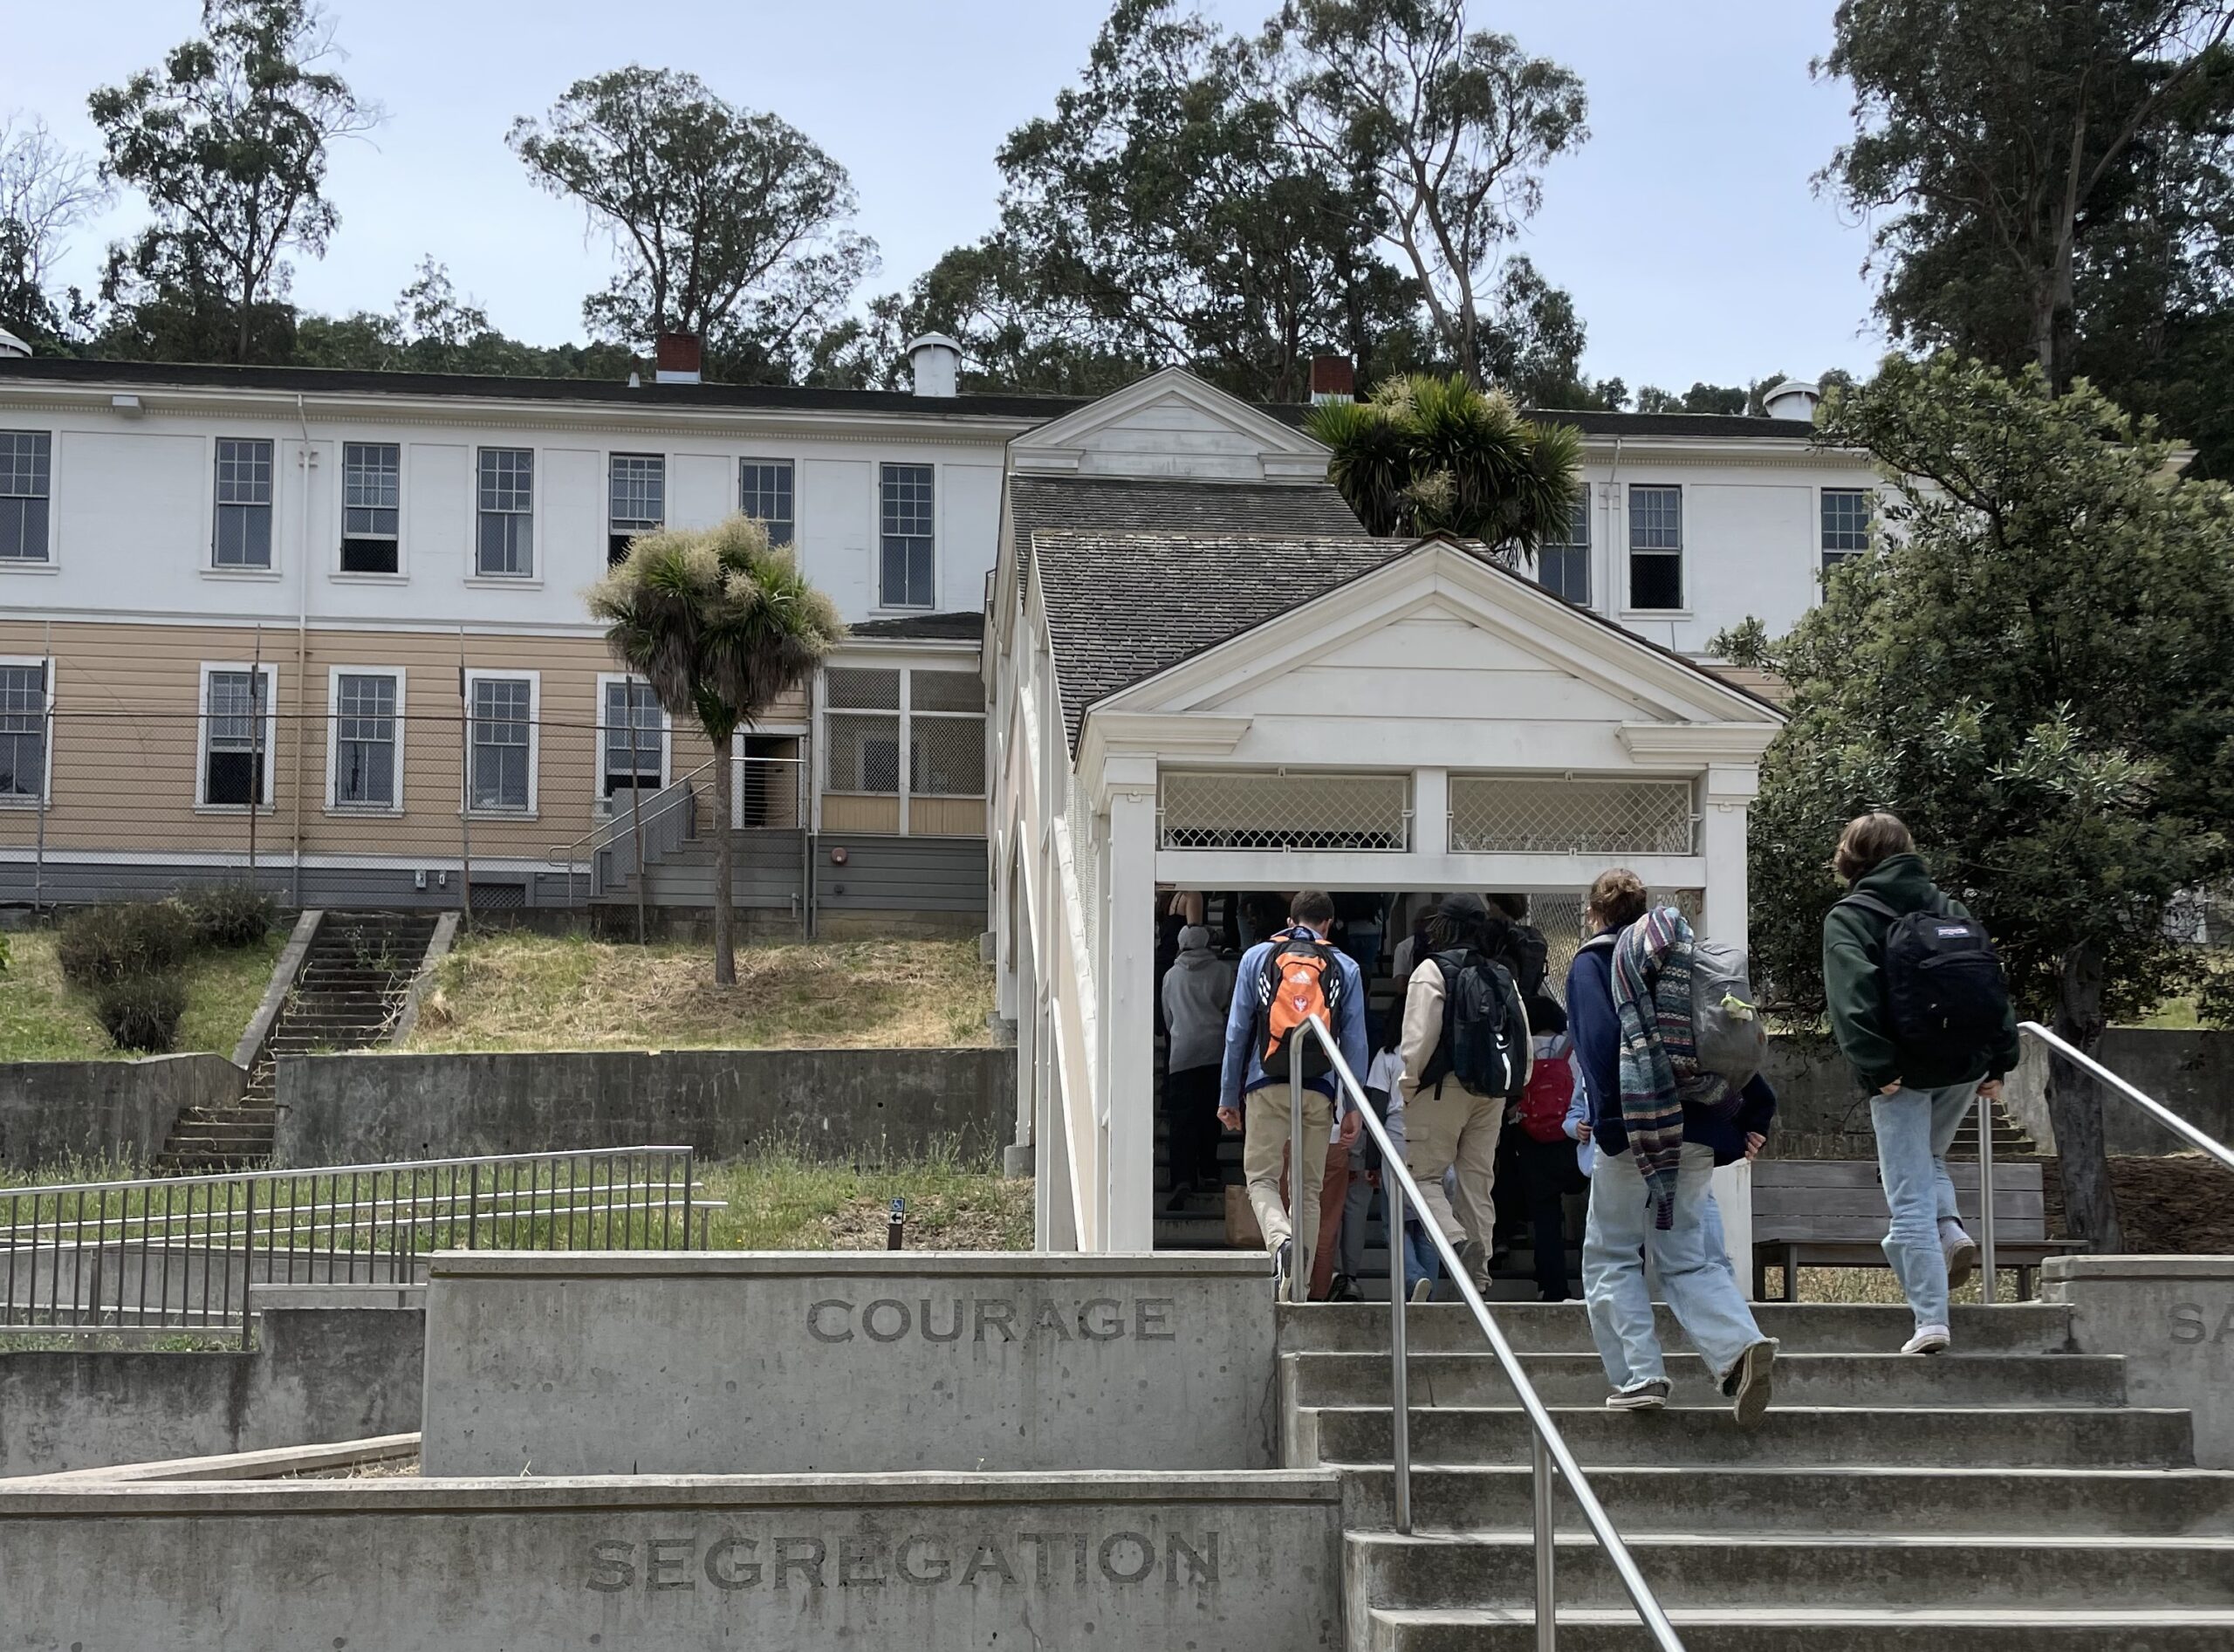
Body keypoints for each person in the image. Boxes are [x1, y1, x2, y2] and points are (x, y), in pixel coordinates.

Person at [1570, 868, 1778, 1423]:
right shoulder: (1684, 960)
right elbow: (1725, 1039)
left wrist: (1612, 1122)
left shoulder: (1594, 962)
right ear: (1643, 911)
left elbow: (1598, 1045)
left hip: (1637, 1126)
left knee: (1612, 1252)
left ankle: (1640, 1376)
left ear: (1594, 913)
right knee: (1687, 1254)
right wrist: (1750, 1119)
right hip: (1701, 1129)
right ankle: (1739, 1346)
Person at [1822, 812, 2021, 1356]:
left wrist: (1877, 1068)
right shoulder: (1949, 907)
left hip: (1903, 1072)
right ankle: (1952, 1230)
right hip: (1965, 1062)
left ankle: (1931, 1319)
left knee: (1906, 1195)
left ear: (1851, 856)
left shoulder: (1851, 916)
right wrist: (2000, 1062)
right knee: (1929, 1160)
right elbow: (1989, 982)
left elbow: (1851, 1002)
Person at [1220, 890, 1368, 1297]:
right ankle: (1297, 1286)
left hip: (1264, 1081)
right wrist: (1353, 1105)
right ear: (1329, 923)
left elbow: (1236, 1033)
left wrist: (1228, 1096)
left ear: (1290, 919)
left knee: (1262, 1179)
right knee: (1309, 1190)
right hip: (1319, 1088)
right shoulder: (1345, 965)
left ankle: (1279, 1240)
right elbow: (1355, 1040)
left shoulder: (1256, 957)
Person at [1397, 894, 1528, 1293]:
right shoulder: (1500, 974)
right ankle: (1480, 1276)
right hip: (1490, 1092)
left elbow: (1419, 1039)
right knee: (1477, 1182)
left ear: (1444, 925)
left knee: (1422, 1179)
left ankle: (1455, 1241)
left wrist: (1408, 1085)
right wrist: (1511, 1090)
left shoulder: (1432, 970)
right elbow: (1523, 1039)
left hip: (1440, 1088)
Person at [1514, 996, 1587, 1301]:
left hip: (1532, 1139)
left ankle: (1553, 1287)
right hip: (1573, 1136)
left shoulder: (1522, 1046)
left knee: (1545, 1217)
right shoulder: (1573, 1045)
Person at [1161, 922, 1236, 1210]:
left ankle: (1182, 1177)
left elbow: (1168, 1018)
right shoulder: (1222, 971)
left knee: (1182, 1120)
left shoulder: (1172, 976)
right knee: (1209, 1113)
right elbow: (1228, 1004)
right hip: (1214, 1050)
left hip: (1182, 1054)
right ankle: (1210, 1170)